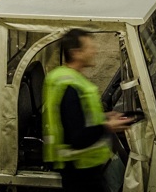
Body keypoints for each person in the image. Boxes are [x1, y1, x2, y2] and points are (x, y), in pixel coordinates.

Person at [43, 28, 131, 192]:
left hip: (86, 168)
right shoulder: (69, 87)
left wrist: (105, 117)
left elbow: (82, 117)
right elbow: (77, 137)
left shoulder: (72, 79)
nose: (94, 51)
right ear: (76, 53)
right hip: (79, 170)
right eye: (89, 48)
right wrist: (107, 126)